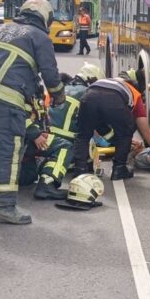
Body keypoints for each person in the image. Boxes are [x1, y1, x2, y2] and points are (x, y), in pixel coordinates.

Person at [0, 0, 66, 225]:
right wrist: (59, 96)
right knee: (8, 149)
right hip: (6, 97)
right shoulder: (39, 36)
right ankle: (3, 205)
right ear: (45, 17)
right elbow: (50, 74)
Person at [19, 63, 107, 200]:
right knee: (66, 147)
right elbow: (95, 126)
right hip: (39, 138)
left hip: (39, 136)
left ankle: (37, 168)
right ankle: (47, 184)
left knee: (28, 177)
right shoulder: (88, 94)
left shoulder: (63, 89)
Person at [70, 68, 150, 181]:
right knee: (125, 133)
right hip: (113, 99)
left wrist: (112, 140)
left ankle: (80, 169)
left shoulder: (107, 81)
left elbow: (100, 124)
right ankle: (119, 169)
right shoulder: (135, 93)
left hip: (89, 96)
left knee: (83, 134)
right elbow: (143, 125)